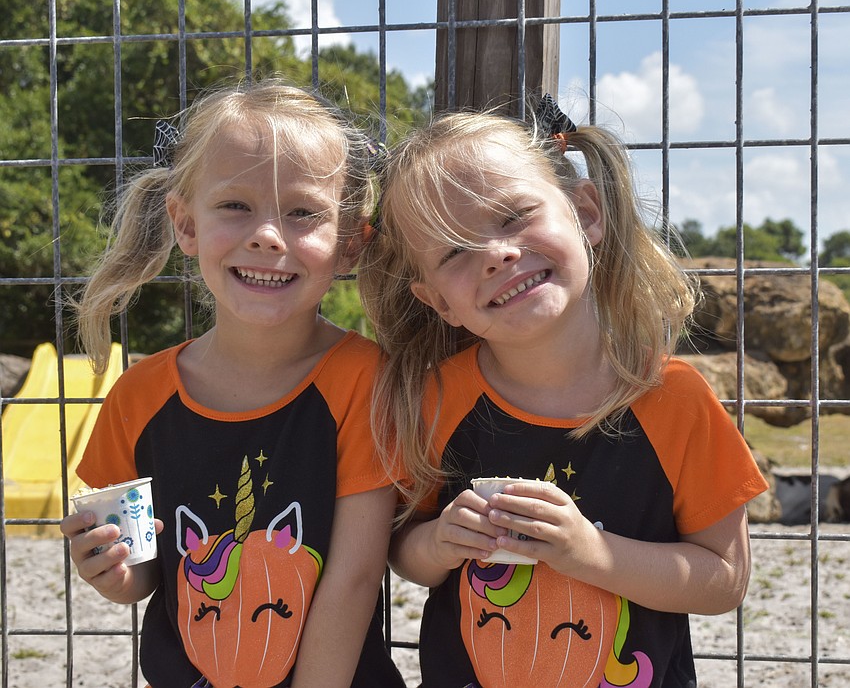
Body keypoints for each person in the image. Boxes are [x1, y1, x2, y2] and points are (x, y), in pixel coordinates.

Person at [359, 97, 769, 687]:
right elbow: (403, 549)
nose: (497, 253)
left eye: (513, 217)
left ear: (586, 212)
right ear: (438, 302)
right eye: (455, 251)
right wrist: (441, 542)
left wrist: (592, 554)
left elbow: (724, 580)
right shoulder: (437, 400)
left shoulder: (676, 400)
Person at [60, 78, 404, 688]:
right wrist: (110, 571)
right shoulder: (136, 397)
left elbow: (353, 580)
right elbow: (144, 575)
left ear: (350, 242)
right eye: (235, 206)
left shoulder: (367, 381)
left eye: (302, 212)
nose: (267, 235)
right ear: (185, 224)